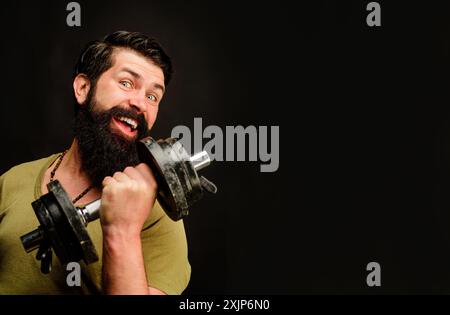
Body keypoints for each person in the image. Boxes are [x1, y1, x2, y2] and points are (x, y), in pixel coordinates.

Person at [0, 31, 191, 295]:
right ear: (83, 89)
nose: (139, 103)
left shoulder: (157, 211)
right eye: (126, 83)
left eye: (152, 97)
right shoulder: (12, 181)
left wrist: (122, 229)